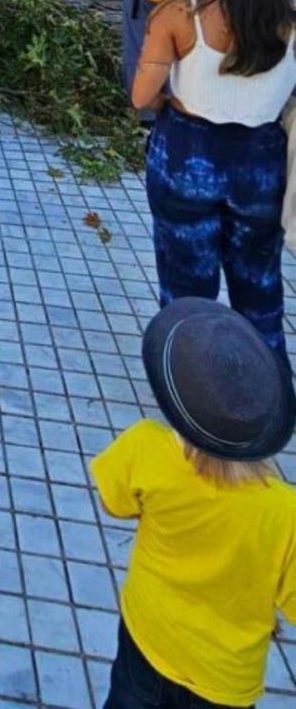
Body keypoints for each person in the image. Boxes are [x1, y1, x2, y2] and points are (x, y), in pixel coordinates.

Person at [93, 297, 296, 709]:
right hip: (225, 678)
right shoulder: (285, 511)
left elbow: (113, 501)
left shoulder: (146, 447)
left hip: (148, 636)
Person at [132, 0, 296, 363]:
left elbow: (141, 96)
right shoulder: (288, 10)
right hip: (262, 162)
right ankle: (264, 404)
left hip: (188, 154)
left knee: (187, 289)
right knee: (259, 287)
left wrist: (169, 98)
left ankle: (197, 408)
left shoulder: (179, 11)